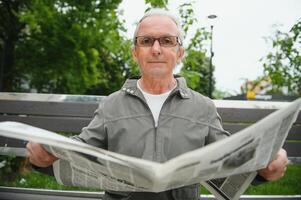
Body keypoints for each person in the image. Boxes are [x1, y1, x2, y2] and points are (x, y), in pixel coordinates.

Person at [27, 8, 289, 200]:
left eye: (166, 41)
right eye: (146, 41)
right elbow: (81, 152)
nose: (155, 49)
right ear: (135, 52)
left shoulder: (204, 107)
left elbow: (228, 162)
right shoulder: (111, 105)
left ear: (179, 52)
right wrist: (44, 157)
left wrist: (264, 168)